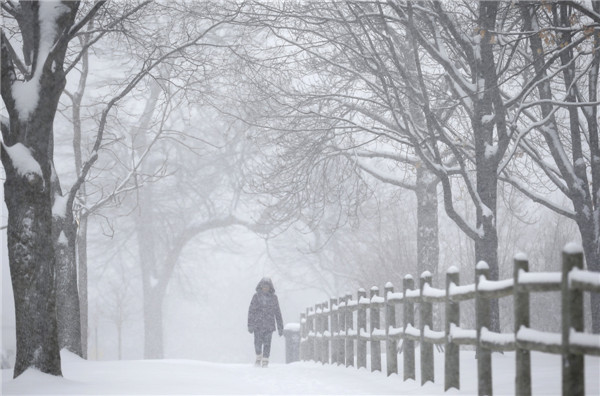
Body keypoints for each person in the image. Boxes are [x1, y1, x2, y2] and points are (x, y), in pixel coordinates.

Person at [247, 277, 283, 368]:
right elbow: (251, 311)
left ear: (270, 287)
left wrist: (280, 326)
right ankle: (258, 356)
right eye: (264, 286)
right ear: (261, 286)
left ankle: (265, 360)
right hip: (257, 325)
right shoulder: (256, 297)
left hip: (269, 325)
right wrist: (250, 324)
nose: (265, 288)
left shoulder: (274, 298)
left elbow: (277, 312)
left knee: (267, 343)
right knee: (257, 344)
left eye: (267, 286)